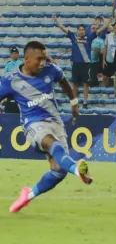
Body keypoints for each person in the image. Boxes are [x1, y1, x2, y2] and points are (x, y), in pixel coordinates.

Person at [0, 41, 92, 213]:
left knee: (58, 170)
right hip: (33, 124)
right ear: (27, 59)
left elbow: (64, 82)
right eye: (39, 59)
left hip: (55, 122)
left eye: (44, 58)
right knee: (50, 143)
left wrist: (74, 103)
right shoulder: (11, 80)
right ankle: (78, 170)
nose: (43, 63)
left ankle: (28, 195)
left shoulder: (51, 70)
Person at [52, 15, 109, 109]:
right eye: (80, 29)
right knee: (75, 84)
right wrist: (56, 21)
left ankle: (85, 103)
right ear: (77, 31)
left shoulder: (89, 37)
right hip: (76, 64)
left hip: (86, 65)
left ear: (84, 30)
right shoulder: (73, 36)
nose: (81, 31)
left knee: (86, 84)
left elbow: (99, 30)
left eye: (83, 29)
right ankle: (75, 103)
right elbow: (63, 28)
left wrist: (108, 23)